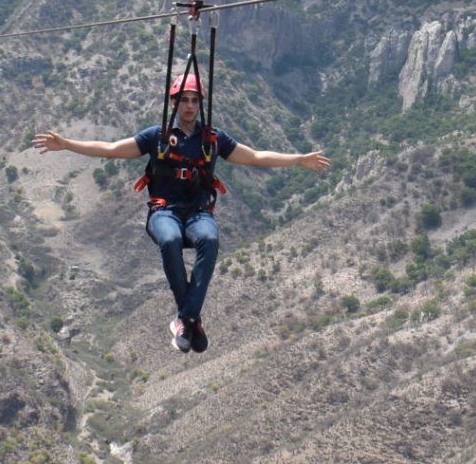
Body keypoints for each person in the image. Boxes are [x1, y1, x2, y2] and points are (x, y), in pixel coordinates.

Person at [32, 75, 330, 354]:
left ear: (200, 105)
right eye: (184, 100)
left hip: (198, 212)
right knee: (171, 240)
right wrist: (67, 144)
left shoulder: (212, 139)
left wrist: (298, 160)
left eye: (194, 101)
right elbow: (111, 149)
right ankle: (191, 318)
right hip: (164, 211)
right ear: (174, 104)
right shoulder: (157, 137)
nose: (189, 107)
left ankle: (185, 319)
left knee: (210, 240)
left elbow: (253, 157)